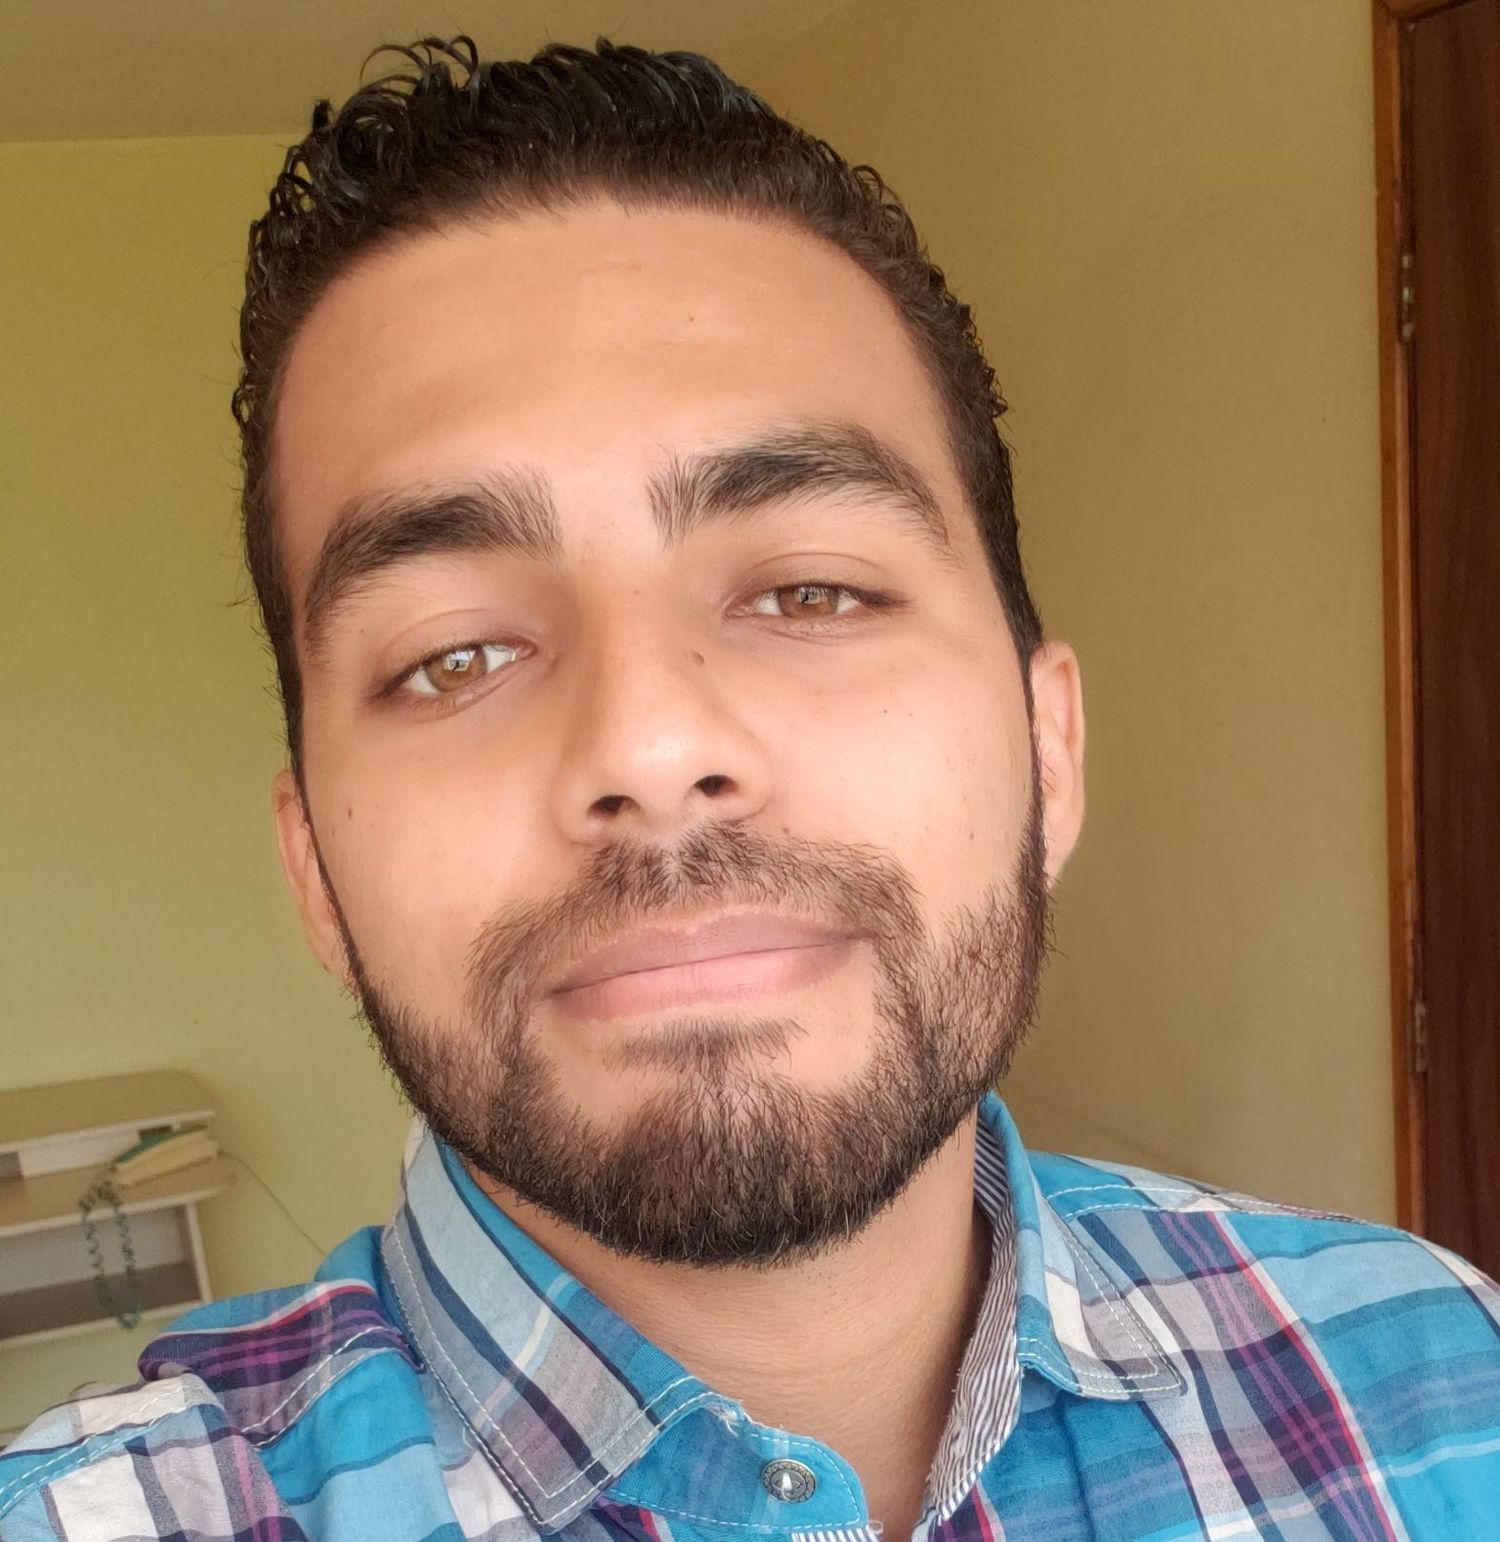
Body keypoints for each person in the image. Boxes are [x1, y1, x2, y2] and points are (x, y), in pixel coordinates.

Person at [2, 34, 1497, 1542]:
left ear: (1049, 751)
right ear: (315, 874)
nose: (649, 747)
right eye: (455, 656)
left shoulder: (1445, 1377)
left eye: (810, 591)